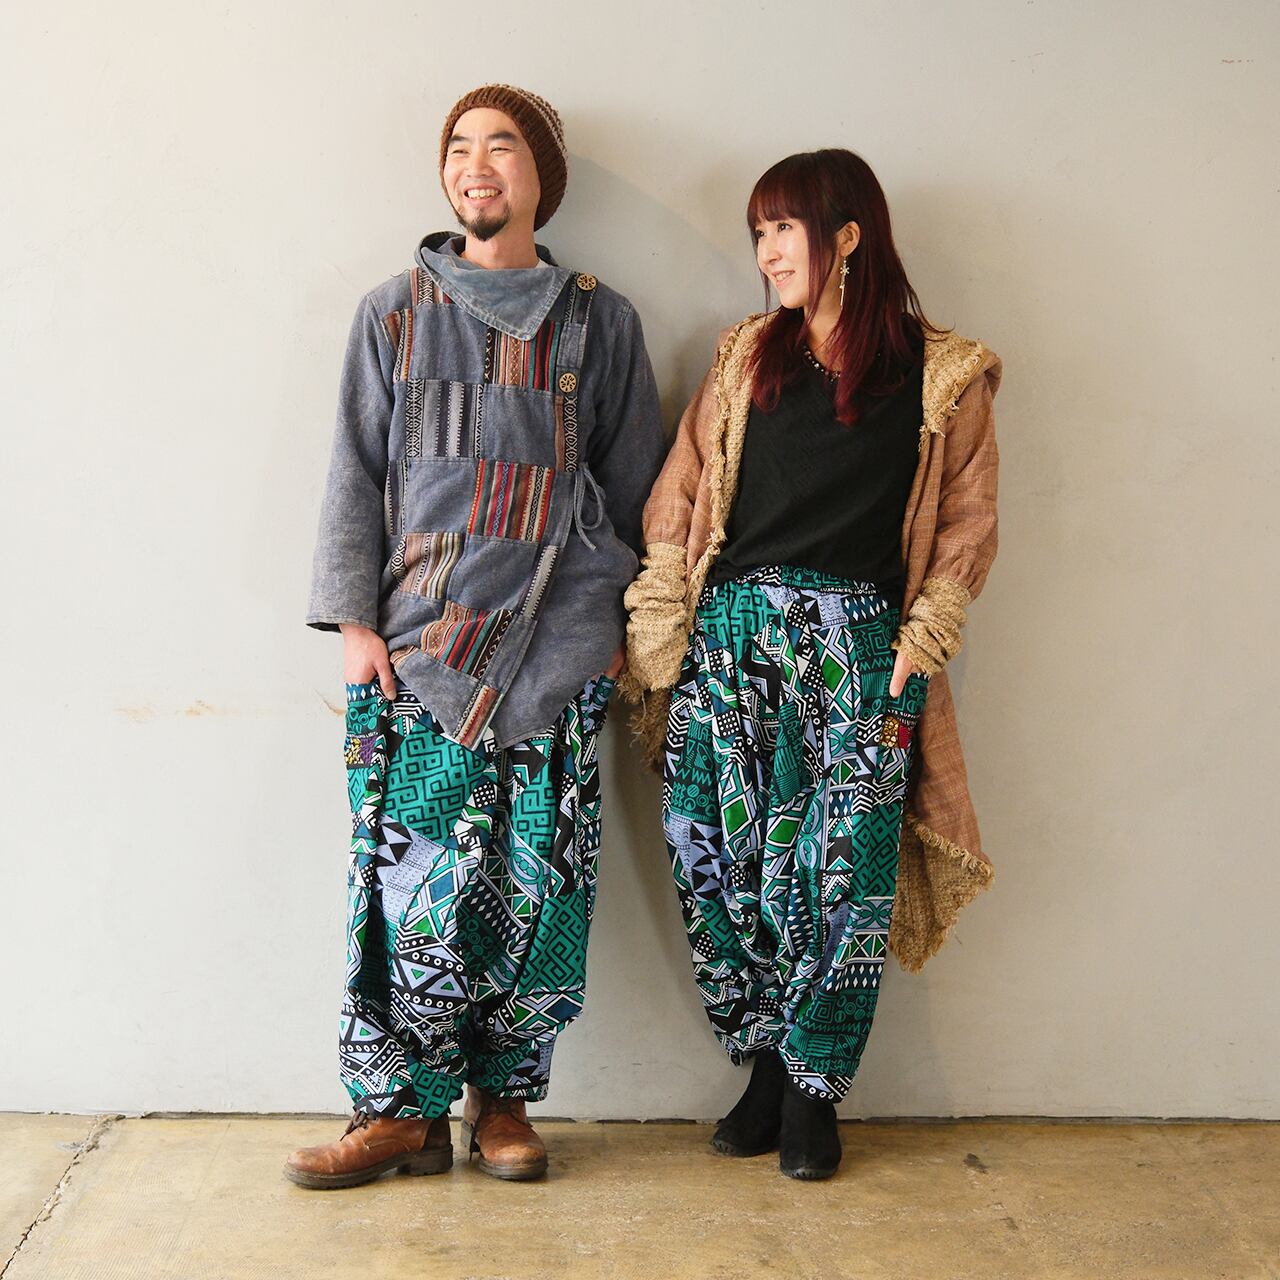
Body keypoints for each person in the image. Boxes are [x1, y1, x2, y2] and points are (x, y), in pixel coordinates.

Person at [286, 84, 665, 1189]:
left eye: (502, 146)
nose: (476, 164)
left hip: (557, 650)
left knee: (538, 890)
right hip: (419, 648)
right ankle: (395, 1113)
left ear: (544, 175)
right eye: (459, 146)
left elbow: (636, 488)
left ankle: (504, 1100)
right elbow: (353, 471)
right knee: (402, 894)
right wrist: (356, 623)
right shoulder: (392, 313)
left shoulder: (600, 322)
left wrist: (612, 629)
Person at [622, 148, 1002, 1180]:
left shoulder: (939, 374)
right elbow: (683, 487)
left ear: (847, 236)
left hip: (858, 652)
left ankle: (814, 1090)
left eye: (782, 229)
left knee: (844, 876)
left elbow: (966, 523)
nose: (766, 253)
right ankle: (762, 1065)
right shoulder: (747, 355)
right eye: (757, 234)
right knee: (717, 858)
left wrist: (920, 643)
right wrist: (666, 617)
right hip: (731, 641)